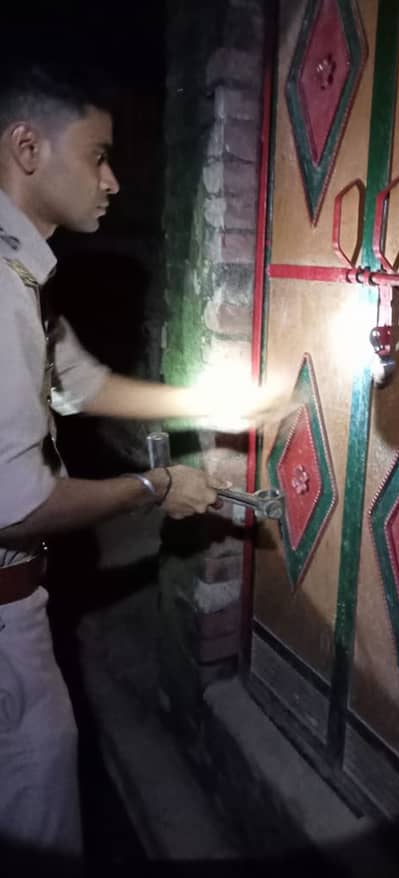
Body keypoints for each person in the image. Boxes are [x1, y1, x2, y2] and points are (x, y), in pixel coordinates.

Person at [0, 60, 283, 859]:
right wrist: (157, 486)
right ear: (28, 148)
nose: (114, 181)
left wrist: (215, 402)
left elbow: (81, 383)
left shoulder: (21, 272)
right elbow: (17, 509)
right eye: (97, 156)